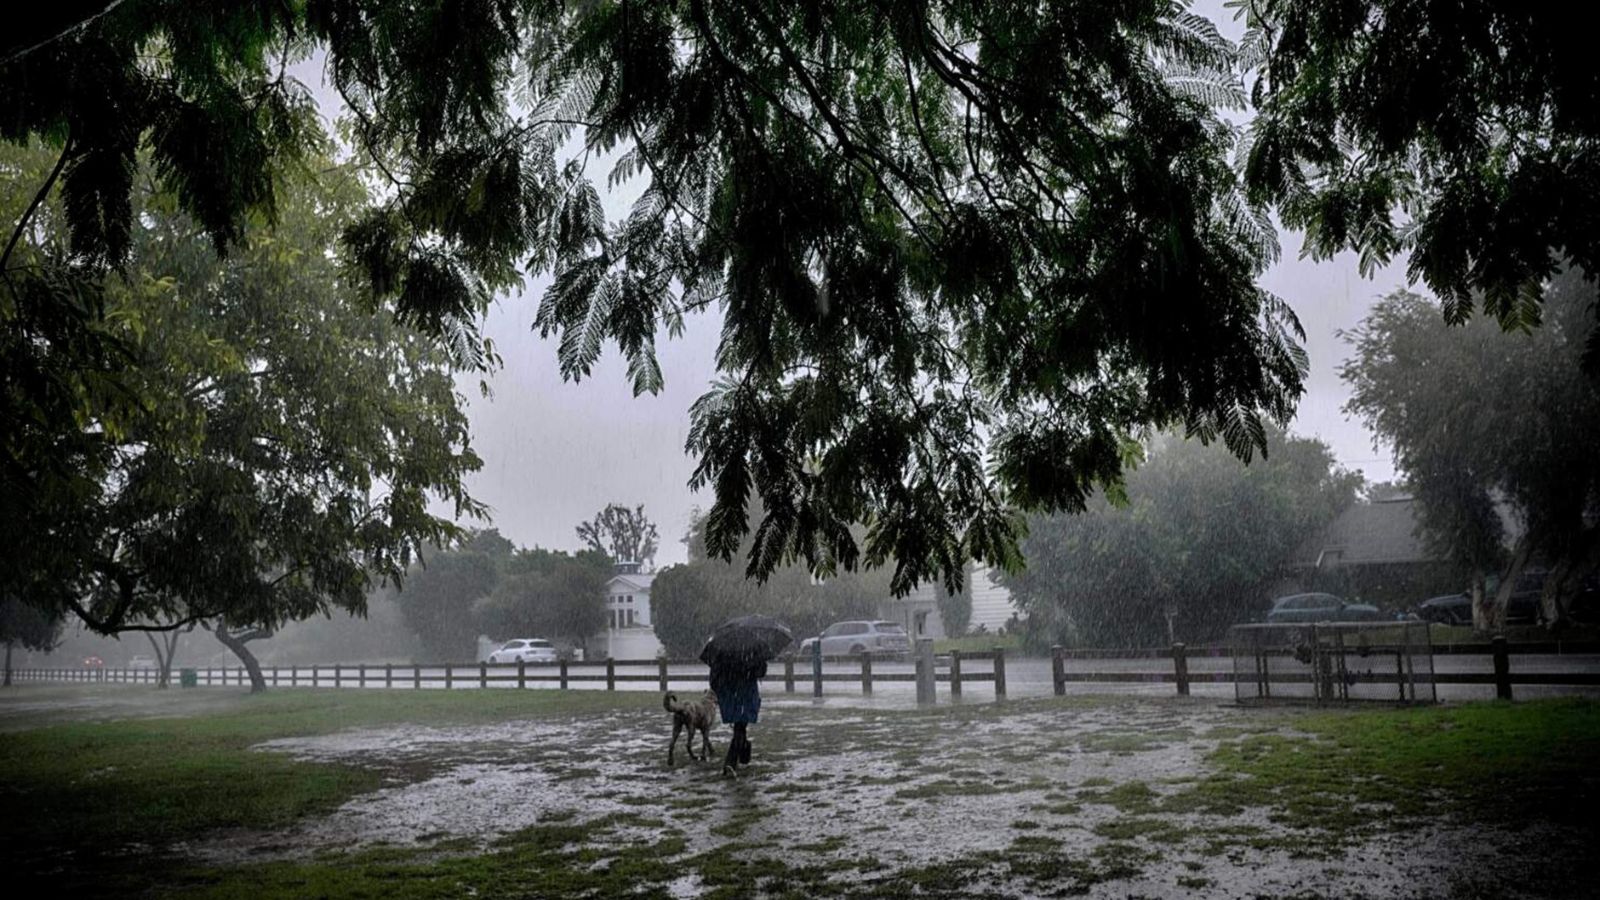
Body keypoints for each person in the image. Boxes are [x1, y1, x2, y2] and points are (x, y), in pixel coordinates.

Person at [708, 656, 765, 776]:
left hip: (730, 693)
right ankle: (731, 761)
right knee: (740, 726)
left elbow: (713, 679)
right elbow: (761, 672)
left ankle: (742, 751)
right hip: (746, 692)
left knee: (739, 726)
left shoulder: (722, 654)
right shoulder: (752, 653)